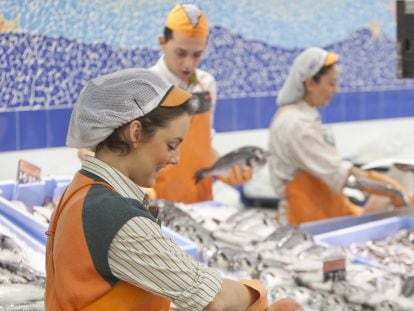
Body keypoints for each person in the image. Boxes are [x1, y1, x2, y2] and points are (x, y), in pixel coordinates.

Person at [44, 68, 299, 310]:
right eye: (171, 145)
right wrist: (258, 293)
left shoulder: (84, 187)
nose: (176, 159)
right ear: (136, 133)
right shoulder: (112, 214)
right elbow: (211, 297)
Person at [268, 47, 412, 225]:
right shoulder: (295, 124)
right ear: (310, 83)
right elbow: (338, 173)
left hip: (320, 214)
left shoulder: (305, 116)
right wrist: (392, 189)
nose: (335, 90)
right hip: (303, 220)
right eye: (331, 83)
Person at [150, 3, 252, 203]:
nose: (188, 63)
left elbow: (203, 145)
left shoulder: (206, 85)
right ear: (163, 42)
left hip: (201, 199)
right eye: (181, 53)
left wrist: (226, 169)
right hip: (158, 203)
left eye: (197, 54)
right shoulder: (147, 86)